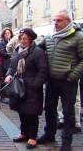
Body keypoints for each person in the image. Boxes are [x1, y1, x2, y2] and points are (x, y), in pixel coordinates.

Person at [37, 10, 83, 151]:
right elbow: (37, 50)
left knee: (68, 112)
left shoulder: (78, 37)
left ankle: (66, 142)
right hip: (51, 80)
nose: (55, 23)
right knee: (49, 109)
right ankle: (49, 134)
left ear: (68, 21)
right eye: (54, 20)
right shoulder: (50, 36)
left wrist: (73, 75)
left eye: (59, 20)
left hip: (68, 81)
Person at [4, 28, 48, 149]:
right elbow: (12, 66)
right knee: (21, 111)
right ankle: (24, 133)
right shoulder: (17, 50)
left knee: (31, 114)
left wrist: (35, 84)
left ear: (30, 39)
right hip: (19, 86)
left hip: (32, 87)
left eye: (24, 39)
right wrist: (8, 74)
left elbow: (43, 70)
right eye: (21, 38)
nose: (22, 41)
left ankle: (32, 138)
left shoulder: (38, 52)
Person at [0, 27, 14, 104]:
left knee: (11, 80)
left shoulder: (13, 41)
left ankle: (10, 96)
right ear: (3, 35)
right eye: (6, 33)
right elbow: (2, 53)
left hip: (12, 63)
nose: (7, 34)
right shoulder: (1, 43)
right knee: (4, 80)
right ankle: (3, 97)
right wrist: (12, 54)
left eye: (9, 33)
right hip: (4, 64)